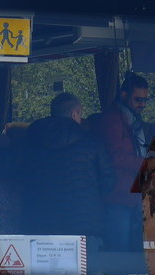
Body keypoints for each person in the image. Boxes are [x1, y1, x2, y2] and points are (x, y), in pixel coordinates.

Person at [21, 93, 113, 242]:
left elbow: (21, 174)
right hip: (84, 223)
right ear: (74, 113)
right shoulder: (91, 142)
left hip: (40, 223)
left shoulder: (31, 140)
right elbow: (108, 181)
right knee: (89, 265)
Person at [90, 73, 152, 249]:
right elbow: (115, 156)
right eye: (138, 99)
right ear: (124, 95)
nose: (142, 105)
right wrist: (146, 164)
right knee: (120, 249)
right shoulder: (112, 120)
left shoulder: (133, 121)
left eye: (145, 100)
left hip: (133, 194)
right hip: (117, 195)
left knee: (139, 247)